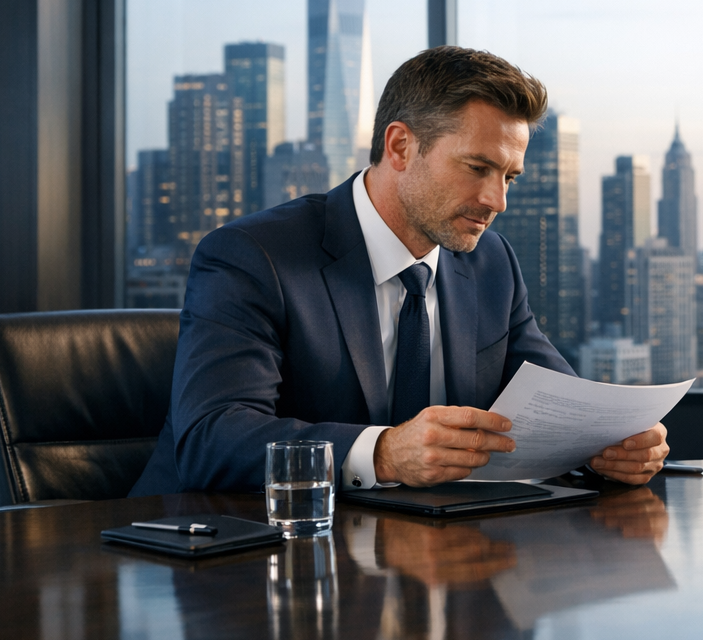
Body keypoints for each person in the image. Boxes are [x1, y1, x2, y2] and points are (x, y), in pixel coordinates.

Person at [132, 46, 669, 495]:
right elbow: (212, 440)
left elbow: (561, 405)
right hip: (234, 562)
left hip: (421, 565)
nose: (496, 200)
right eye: (477, 168)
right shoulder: (254, 256)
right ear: (401, 146)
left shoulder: (491, 264)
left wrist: (606, 447)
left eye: (510, 176)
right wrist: (384, 454)